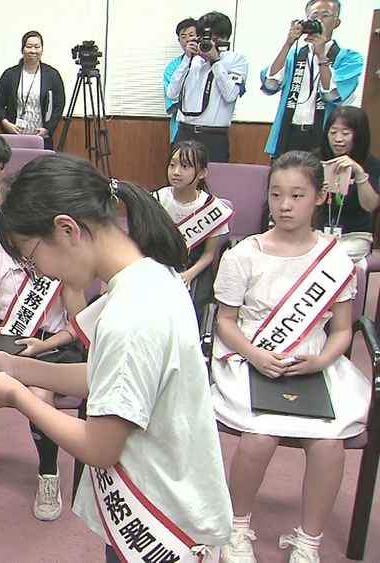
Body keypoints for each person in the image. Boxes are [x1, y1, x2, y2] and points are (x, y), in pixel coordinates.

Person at [0, 152, 232, 562]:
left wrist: (16, 395)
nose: (41, 274)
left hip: (158, 518)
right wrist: (15, 367)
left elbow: (99, 448)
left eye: (32, 258)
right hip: (162, 495)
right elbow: (107, 378)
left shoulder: (130, 315)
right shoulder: (147, 275)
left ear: (66, 229)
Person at [211, 151, 368, 563]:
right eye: (277, 194)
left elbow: (341, 330)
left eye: (297, 195)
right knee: (259, 440)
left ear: (318, 197)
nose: (285, 204)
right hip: (249, 359)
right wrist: (256, 355)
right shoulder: (243, 253)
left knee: (329, 446)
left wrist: (320, 362)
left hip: (314, 363)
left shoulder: (334, 259)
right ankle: (236, 527)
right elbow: (225, 322)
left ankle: (308, 541)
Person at [0, 173, 85, 521]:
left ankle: (48, 472)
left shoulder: (56, 255)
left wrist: (42, 347)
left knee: (41, 397)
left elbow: (79, 324)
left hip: (48, 345)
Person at [261, 0, 363, 158]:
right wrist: (288, 44)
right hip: (289, 132)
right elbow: (270, 85)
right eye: (314, 16)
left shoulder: (350, 58)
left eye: (326, 15)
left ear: (337, 22)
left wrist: (321, 55)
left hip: (323, 134)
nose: (319, 20)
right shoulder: (294, 55)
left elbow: (333, 95)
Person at [153, 140, 231, 321]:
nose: (176, 172)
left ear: (202, 173)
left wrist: (189, 274)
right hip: (160, 263)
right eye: (172, 165)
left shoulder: (212, 208)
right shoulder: (157, 199)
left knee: (194, 309)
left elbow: (209, 255)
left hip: (194, 268)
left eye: (185, 166)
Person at [166, 11, 248, 162]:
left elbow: (230, 95)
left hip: (214, 136)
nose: (209, 42)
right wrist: (187, 59)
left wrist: (215, 61)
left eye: (215, 38)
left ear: (225, 38)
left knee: (214, 183)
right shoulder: (192, 61)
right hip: (185, 132)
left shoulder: (235, 59)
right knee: (180, 180)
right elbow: (172, 93)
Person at [317, 106, 379, 263]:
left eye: (345, 133)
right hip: (318, 233)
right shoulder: (316, 160)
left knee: (334, 258)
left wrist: (359, 172)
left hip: (355, 236)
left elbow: (370, 206)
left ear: (358, 136)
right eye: (333, 132)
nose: (338, 138)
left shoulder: (372, 164)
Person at [0, 31, 66, 150]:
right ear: (23, 49)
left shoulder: (52, 75)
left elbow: (59, 105)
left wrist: (47, 129)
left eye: (37, 47)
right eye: (29, 46)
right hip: (14, 134)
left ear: (42, 50)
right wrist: (6, 124)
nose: (33, 51)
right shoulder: (10, 75)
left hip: (41, 136)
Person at [164, 18, 198, 143]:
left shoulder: (210, 63)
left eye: (191, 35)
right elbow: (173, 98)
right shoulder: (173, 67)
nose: (188, 40)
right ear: (179, 41)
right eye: (183, 37)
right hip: (180, 129)